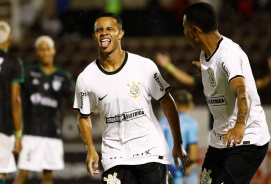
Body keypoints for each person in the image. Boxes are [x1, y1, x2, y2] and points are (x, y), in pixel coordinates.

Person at [73, 12, 188, 184]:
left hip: (150, 152)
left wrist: (177, 143)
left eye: (110, 29)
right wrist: (90, 148)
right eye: (99, 30)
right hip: (115, 156)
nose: (104, 33)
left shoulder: (144, 66)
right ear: (94, 36)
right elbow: (83, 117)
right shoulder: (86, 78)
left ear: (120, 34)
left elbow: (166, 101)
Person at [182, 2, 270, 184]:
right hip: (221, 138)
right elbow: (217, 69)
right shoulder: (205, 52)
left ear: (195, 30)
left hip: (246, 139)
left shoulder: (227, 55)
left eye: (185, 28)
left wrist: (240, 125)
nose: (184, 33)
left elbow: (241, 89)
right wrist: (207, 70)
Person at [13, 35, 75, 184]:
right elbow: (13, 95)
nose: (45, 53)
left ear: (53, 51)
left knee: (48, 176)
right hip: (31, 132)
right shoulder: (27, 73)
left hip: (53, 132)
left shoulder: (63, 76)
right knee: (23, 174)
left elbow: (76, 100)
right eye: (42, 50)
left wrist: (91, 108)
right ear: (36, 53)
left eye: (48, 49)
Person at [0, 21, 24, 184]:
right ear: (10, 38)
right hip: (3, 125)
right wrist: (18, 135)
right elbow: (15, 100)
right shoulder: (13, 62)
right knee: (1, 173)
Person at [159, 90, 198, 184]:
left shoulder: (161, 121)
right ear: (191, 104)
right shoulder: (190, 123)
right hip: (177, 167)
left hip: (160, 166)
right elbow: (192, 148)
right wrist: (191, 164)